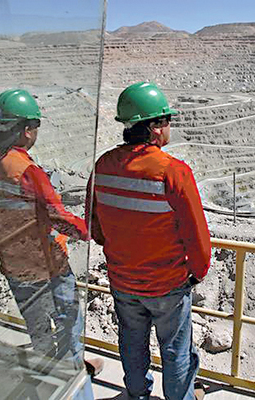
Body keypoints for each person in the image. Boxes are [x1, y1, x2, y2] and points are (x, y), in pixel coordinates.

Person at [86, 81, 211, 400]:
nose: (169, 126)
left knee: (132, 343)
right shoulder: (173, 172)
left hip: (123, 280)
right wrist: (197, 272)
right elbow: (196, 234)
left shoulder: (103, 166)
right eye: (166, 120)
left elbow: (96, 228)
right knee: (176, 352)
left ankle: (138, 395)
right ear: (154, 128)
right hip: (167, 284)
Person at [0, 89, 101, 397]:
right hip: (48, 267)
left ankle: (47, 384)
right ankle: (75, 386)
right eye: (34, 126)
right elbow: (57, 216)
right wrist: (89, 230)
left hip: (15, 267)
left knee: (39, 331)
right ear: (25, 130)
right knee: (70, 327)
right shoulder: (28, 170)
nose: (35, 132)